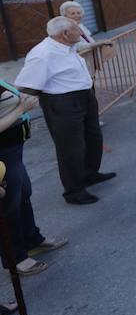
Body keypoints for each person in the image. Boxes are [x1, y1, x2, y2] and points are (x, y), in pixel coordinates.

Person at [15, 17, 117, 204]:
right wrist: (49, 98)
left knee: (93, 138)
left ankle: (89, 174)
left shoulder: (67, 46)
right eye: (77, 29)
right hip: (63, 103)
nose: (81, 32)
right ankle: (74, 191)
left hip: (84, 97)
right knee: (71, 148)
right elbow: (25, 85)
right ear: (65, 33)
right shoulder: (42, 54)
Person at [0, 80, 67, 276]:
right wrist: (22, 107)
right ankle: (16, 258)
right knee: (8, 205)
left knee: (23, 193)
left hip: (13, 149)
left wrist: (22, 99)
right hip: (3, 153)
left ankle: (31, 239)